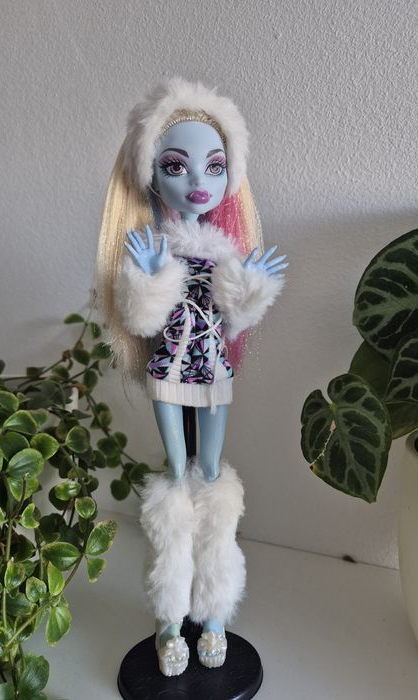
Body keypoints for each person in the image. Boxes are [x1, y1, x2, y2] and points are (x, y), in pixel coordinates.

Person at [95, 77, 287, 677]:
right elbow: (141, 320)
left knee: (210, 475)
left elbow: (237, 317)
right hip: (169, 369)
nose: (198, 181)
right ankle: (170, 617)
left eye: (214, 166)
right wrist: (150, 277)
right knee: (176, 477)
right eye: (176, 166)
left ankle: (213, 611)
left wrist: (251, 284)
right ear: (151, 174)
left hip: (213, 369)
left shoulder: (222, 249)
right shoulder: (157, 245)